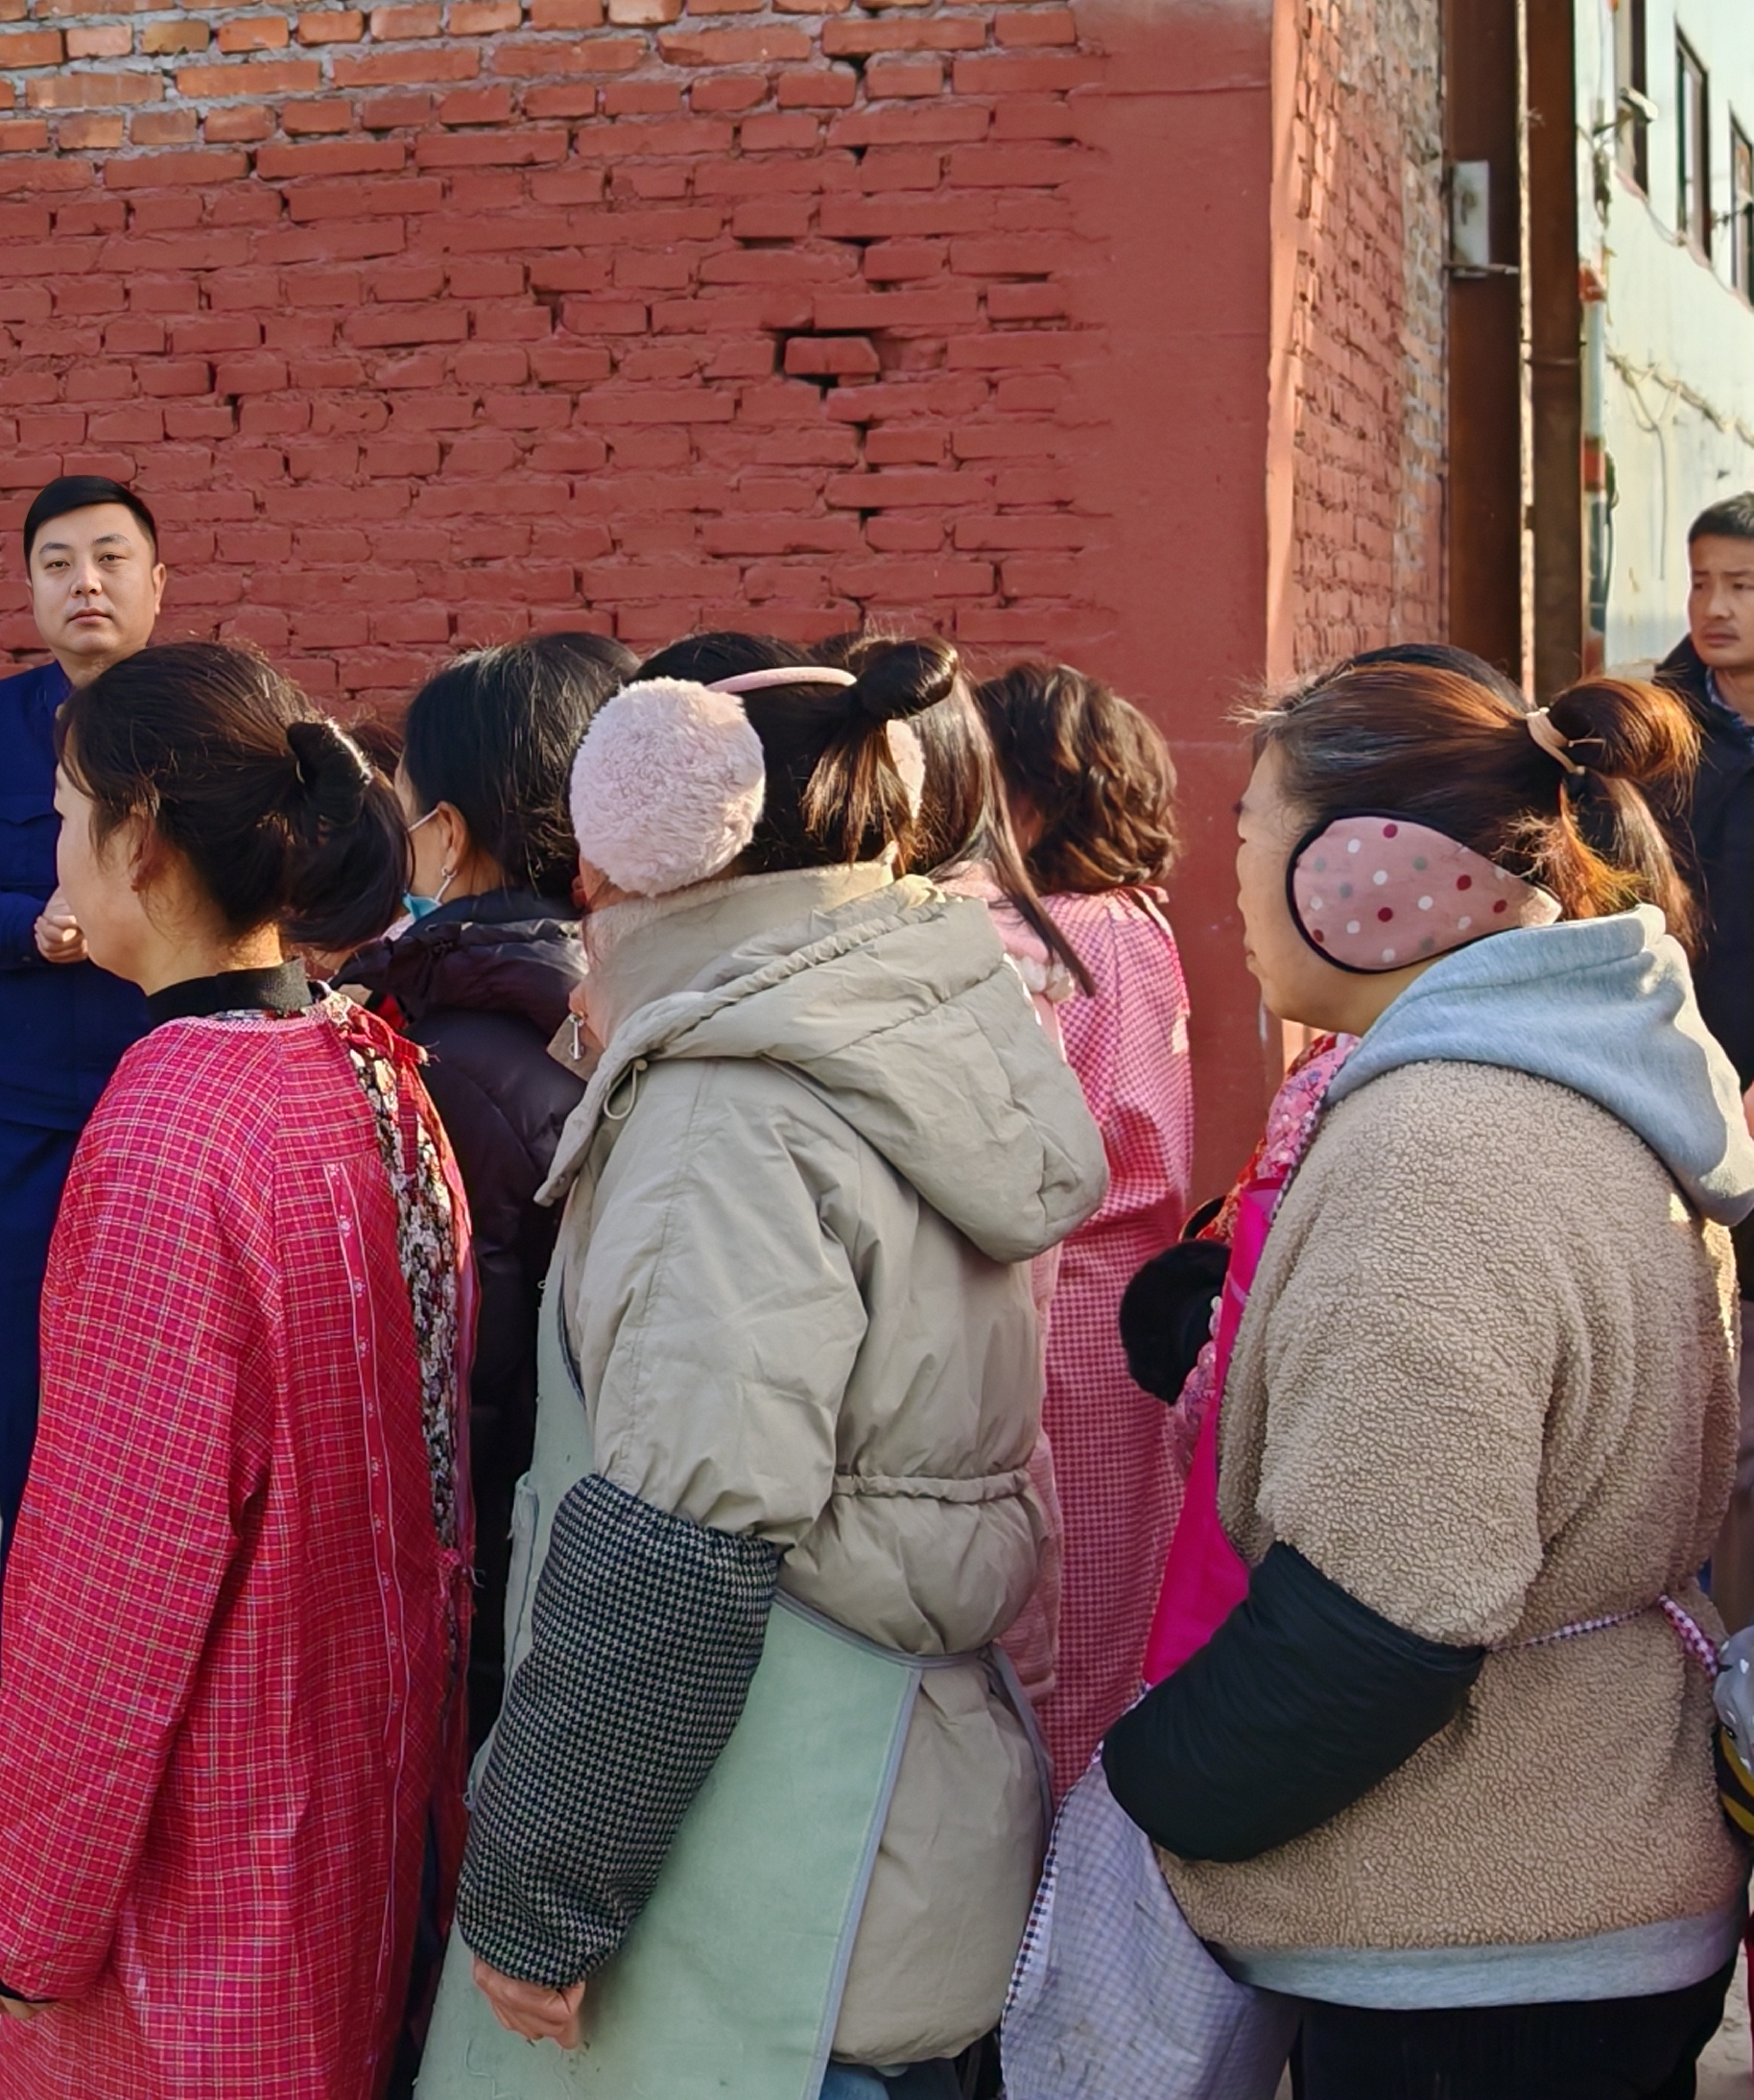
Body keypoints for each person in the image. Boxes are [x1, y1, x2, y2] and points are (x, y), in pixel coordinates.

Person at [438, 633, 1103, 2098]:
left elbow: (681, 1538)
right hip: (904, 1815)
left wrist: (543, 1895)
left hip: (770, 1887)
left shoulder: (732, 1113)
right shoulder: (919, 1027)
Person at [1102, 656, 1753, 2097]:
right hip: (1571, 1879)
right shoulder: (1558, 1084)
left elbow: (1384, 1610)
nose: (1230, 881)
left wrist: (1157, 1783)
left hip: (1484, 1939)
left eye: (1253, 835)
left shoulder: (1442, 1150)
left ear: (1369, 872)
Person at [0, 641, 468, 2099]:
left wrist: (25, 1906)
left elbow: (113, 1577)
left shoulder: (172, 1128)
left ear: (142, 841)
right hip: (361, 1813)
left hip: (206, 1853)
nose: (54, 846)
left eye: (63, 813)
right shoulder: (371, 1070)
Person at [338, 630, 632, 1760]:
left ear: (448, 833)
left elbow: (458, 1377)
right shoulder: (625, 1006)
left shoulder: (445, 1060)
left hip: (498, 1574)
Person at [0, 475, 165, 1543]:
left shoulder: (210, 713)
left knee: (174, 1384)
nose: (84, 583)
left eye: (109, 559)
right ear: (31, 589)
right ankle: (34, 1618)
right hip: (34, 1112)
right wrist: (30, 925)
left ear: (157, 583)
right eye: (58, 564)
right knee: (34, 1379)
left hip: (176, 1109)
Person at [968, 656, 1199, 1788]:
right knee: (1113, 1620)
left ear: (1030, 794)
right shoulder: (1132, 919)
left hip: (1063, 1311)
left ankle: (1053, 1863)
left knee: (1059, 1638)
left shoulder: (1048, 937)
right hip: (1120, 1307)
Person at [1654, 490, 1754, 1079]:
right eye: (1700, 583)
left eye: (1743, 586)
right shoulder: (1653, 736)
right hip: (1676, 1064)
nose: (1715, 607)